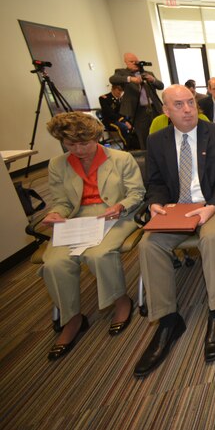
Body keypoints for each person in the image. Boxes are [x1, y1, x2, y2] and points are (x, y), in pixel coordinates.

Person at [133, 85, 215, 378]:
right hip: (176, 208)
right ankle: (168, 320)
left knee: (212, 237)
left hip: (213, 206)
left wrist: (213, 207)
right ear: (166, 111)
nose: (187, 109)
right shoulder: (156, 141)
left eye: (191, 103)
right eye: (178, 105)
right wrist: (156, 203)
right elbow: (155, 182)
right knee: (149, 244)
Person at [39, 112, 144, 360]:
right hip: (76, 219)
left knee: (100, 254)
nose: (78, 149)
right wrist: (56, 213)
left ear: (96, 137)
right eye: (71, 144)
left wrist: (119, 207)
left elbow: (136, 193)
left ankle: (120, 301)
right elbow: (62, 201)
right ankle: (72, 317)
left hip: (116, 216)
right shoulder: (58, 164)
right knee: (54, 262)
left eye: (84, 143)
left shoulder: (121, 158)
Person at [109, 52, 164, 149]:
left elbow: (161, 86)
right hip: (138, 111)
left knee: (160, 131)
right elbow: (113, 79)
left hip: (155, 108)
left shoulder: (148, 73)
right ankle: (148, 155)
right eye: (132, 61)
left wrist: (153, 80)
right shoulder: (122, 72)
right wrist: (131, 79)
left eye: (136, 61)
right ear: (126, 62)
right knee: (144, 136)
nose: (135, 63)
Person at [99, 83, 134, 148]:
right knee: (123, 127)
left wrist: (127, 120)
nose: (120, 93)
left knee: (134, 123)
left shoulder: (121, 99)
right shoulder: (104, 98)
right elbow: (110, 114)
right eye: (119, 90)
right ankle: (127, 146)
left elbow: (124, 111)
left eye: (121, 91)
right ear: (113, 89)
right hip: (110, 121)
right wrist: (124, 121)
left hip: (121, 119)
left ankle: (134, 143)